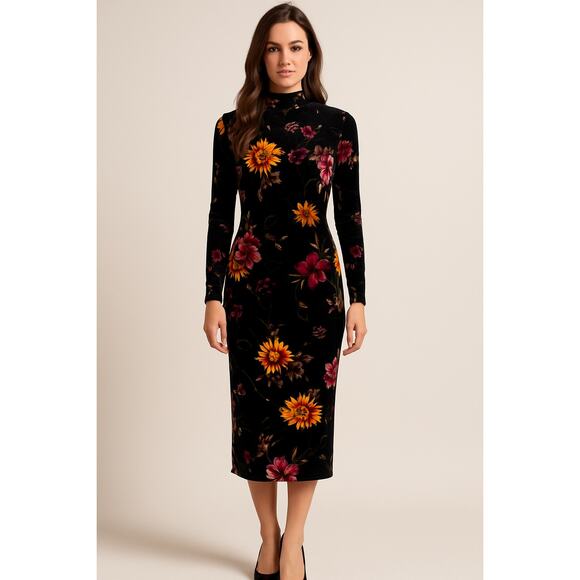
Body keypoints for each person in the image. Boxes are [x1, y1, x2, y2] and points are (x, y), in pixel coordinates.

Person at [202, 3, 368, 579]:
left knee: (308, 420)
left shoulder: (338, 125)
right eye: (274, 48)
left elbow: (349, 216)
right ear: (260, 56)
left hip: (317, 294)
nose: (285, 59)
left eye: (296, 47)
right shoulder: (232, 126)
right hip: (249, 292)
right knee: (254, 421)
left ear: (311, 54)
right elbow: (220, 216)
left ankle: (293, 540)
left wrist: (359, 298)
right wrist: (212, 294)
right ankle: (267, 534)